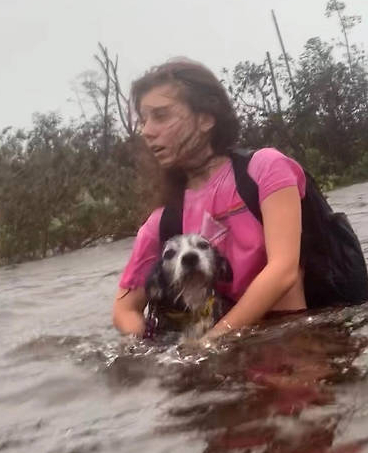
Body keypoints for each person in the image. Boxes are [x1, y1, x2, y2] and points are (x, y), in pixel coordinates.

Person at [112, 58, 306, 340]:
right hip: (225, 348)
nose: (147, 131)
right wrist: (154, 351)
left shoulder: (264, 169)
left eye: (161, 116)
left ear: (206, 118)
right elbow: (123, 310)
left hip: (294, 333)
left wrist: (212, 341)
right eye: (143, 120)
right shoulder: (163, 220)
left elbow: (284, 270)